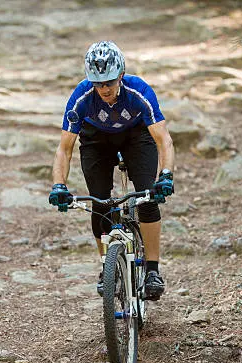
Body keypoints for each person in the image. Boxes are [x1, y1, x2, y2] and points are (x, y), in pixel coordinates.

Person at [48, 40, 175, 301]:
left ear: (121, 76)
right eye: (98, 83)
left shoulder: (139, 91)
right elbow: (64, 149)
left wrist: (166, 176)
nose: (104, 89)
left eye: (109, 82)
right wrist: (59, 184)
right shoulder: (81, 97)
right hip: (97, 140)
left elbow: (164, 140)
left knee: (147, 197)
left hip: (137, 136)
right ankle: (107, 266)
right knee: (100, 203)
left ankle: (152, 270)